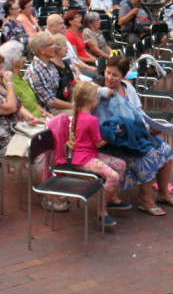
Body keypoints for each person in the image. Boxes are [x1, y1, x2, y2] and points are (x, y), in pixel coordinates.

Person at [97, 55, 173, 215]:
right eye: (107, 73)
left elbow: (138, 112)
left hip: (134, 134)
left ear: (123, 76)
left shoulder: (128, 88)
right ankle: (145, 199)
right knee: (147, 155)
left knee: (166, 149)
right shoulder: (99, 92)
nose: (109, 77)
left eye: (115, 75)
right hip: (114, 140)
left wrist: (151, 126)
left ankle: (163, 193)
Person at [50, 82, 129, 227]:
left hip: (86, 156)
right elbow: (98, 144)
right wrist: (113, 135)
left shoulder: (77, 116)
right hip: (85, 160)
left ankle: (112, 199)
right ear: (91, 101)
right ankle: (101, 210)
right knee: (113, 176)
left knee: (121, 165)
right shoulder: (91, 120)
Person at [0, 40, 53, 120]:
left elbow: (34, 104)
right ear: (13, 61)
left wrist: (48, 115)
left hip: (40, 118)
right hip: (29, 122)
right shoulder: (9, 83)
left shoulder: (21, 79)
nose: (24, 58)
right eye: (21, 56)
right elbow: (20, 109)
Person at [24, 31, 73, 112]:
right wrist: (74, 106)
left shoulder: (50, 65)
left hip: (61, 105)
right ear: (42, 50)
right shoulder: (36, 71)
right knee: (83, 113)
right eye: (51, 44)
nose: (55, 47)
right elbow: (50, 101)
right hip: (51, 112)